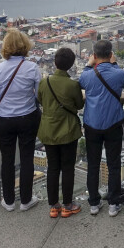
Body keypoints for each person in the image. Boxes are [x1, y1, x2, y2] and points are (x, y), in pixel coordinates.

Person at [0, 29, 42, 212]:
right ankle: (26, 200)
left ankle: (9, 201)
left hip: (5, 119)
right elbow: (39, 95)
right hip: (28, 117)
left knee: (7, 159)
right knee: (27, 157)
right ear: (25, 45)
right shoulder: (32, 67)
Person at [78, 39, 124, 217]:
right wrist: (114, 64)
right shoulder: (119, 73)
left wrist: (88, 64)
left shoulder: (87, 75)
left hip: (92, 124)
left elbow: (81, 82)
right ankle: (113, 203)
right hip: (113, 123)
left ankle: (94, 203)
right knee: (114, 164)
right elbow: (121, 81)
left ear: (94, 55)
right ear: (111, 54)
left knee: (93, 164)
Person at [37, 47, 85, 219]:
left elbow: (40, 99)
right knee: (68, 168)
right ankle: (67, 205)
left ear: (55, 62)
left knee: (52, 167)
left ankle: (53, 206)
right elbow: (79, 105)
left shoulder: (44, 82)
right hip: (68, 130)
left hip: (48, 129)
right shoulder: (73, 84)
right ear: (71, 65)